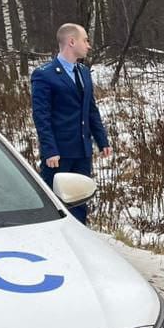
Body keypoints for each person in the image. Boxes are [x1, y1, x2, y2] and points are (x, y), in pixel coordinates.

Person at [31, 23, 111, 224]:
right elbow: (41, 116)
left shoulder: (83, 72)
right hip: (59, 154)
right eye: (85, 40)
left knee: (79, 202)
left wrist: (102, 141)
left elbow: (90, 109)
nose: (88, 46)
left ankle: (79, 240)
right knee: (55, 203)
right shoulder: (45, 74)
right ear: (71, 42)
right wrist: (49, 149)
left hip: (82, 150)